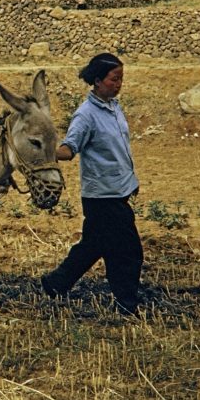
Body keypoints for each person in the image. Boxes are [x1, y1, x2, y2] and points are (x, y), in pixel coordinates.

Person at [40, 53, 143, 314]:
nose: (119, 84)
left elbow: (118, 150)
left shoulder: (113, 107)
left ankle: (55, 283)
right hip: (103, 197)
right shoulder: (85, 116)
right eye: (114, 79)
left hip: (117, 190)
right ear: (97, 81)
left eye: (121, 79)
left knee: (94, 245)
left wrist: (130, 181)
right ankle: (127, 305)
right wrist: (39, 153)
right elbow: (68, 149)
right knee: (127, 252)